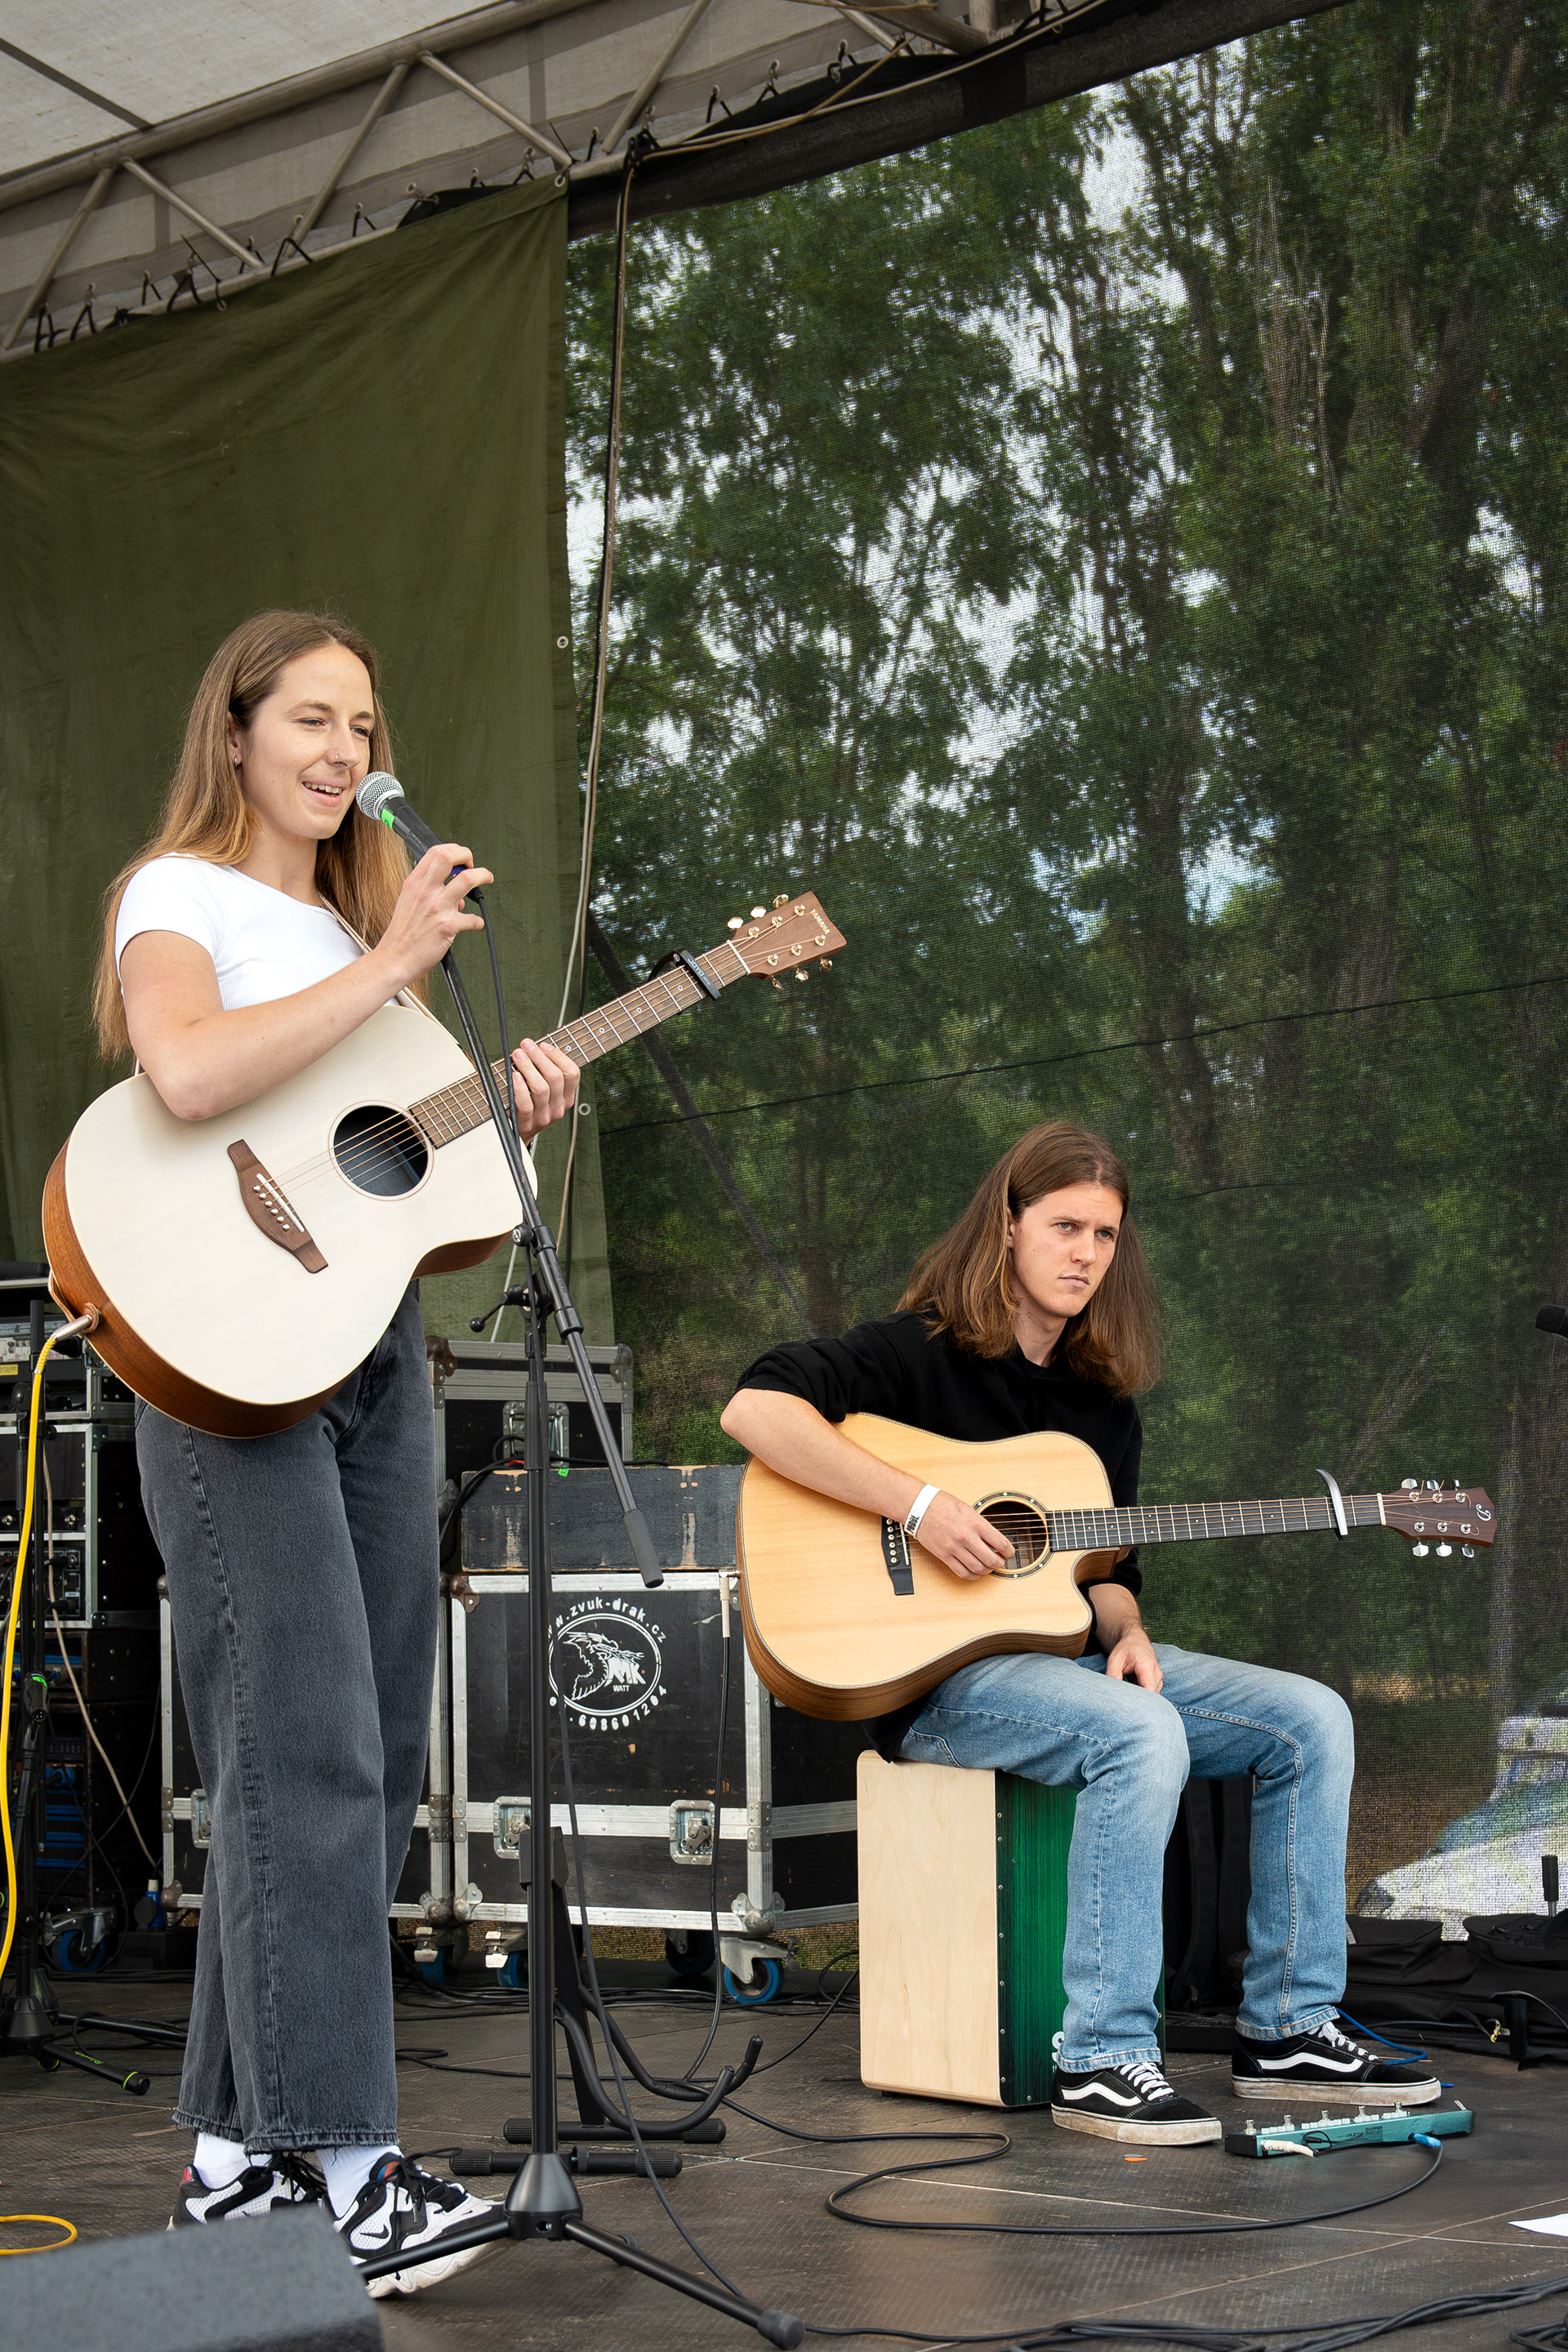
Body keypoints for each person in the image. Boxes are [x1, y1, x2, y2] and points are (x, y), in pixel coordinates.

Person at [94, 609, 581, 2288]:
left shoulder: (360, 940)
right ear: (234, 732)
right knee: (297, 1751)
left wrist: (503, 1106)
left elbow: (389, 1175)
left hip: (370, 1351)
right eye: (310, 717)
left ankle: (237, 2162)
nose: (344, 752)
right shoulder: (182, 897)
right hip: (222, 1361)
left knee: (360, 1757)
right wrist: (389, 970)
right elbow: (182, 1070)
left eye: (363, 726)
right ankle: (351, 2174)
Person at [720, 1121, 1439, 2145]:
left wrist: (1129, 1628)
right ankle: (1101, 2056)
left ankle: (1289, 2028)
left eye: (1105, 1235)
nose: (1086, 1254)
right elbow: (755, 1410)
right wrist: (920, 1507)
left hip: (1066, 1660)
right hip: (935, 1684)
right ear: (1008, 1226)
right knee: (1141, 1735)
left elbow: (1103, 1574)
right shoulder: (912, 1352)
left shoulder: (1101, 1405)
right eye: (1065, 1226)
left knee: (1310, 1719)